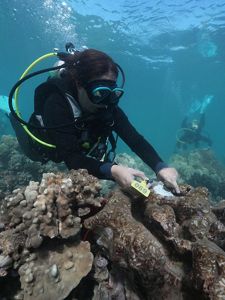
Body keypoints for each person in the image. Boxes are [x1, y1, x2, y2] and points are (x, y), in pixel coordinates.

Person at [10, 48, 180, 193]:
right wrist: (112, 170)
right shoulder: (56, 103)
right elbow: (71, 158)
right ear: (79, 84)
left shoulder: (107, 104)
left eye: (112, 93)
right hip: (42, 148)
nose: (107, 101)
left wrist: (160, 167)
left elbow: (135, 139)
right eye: (99, 93)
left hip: (80, 145)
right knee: (32, 152)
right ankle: (7, 111)